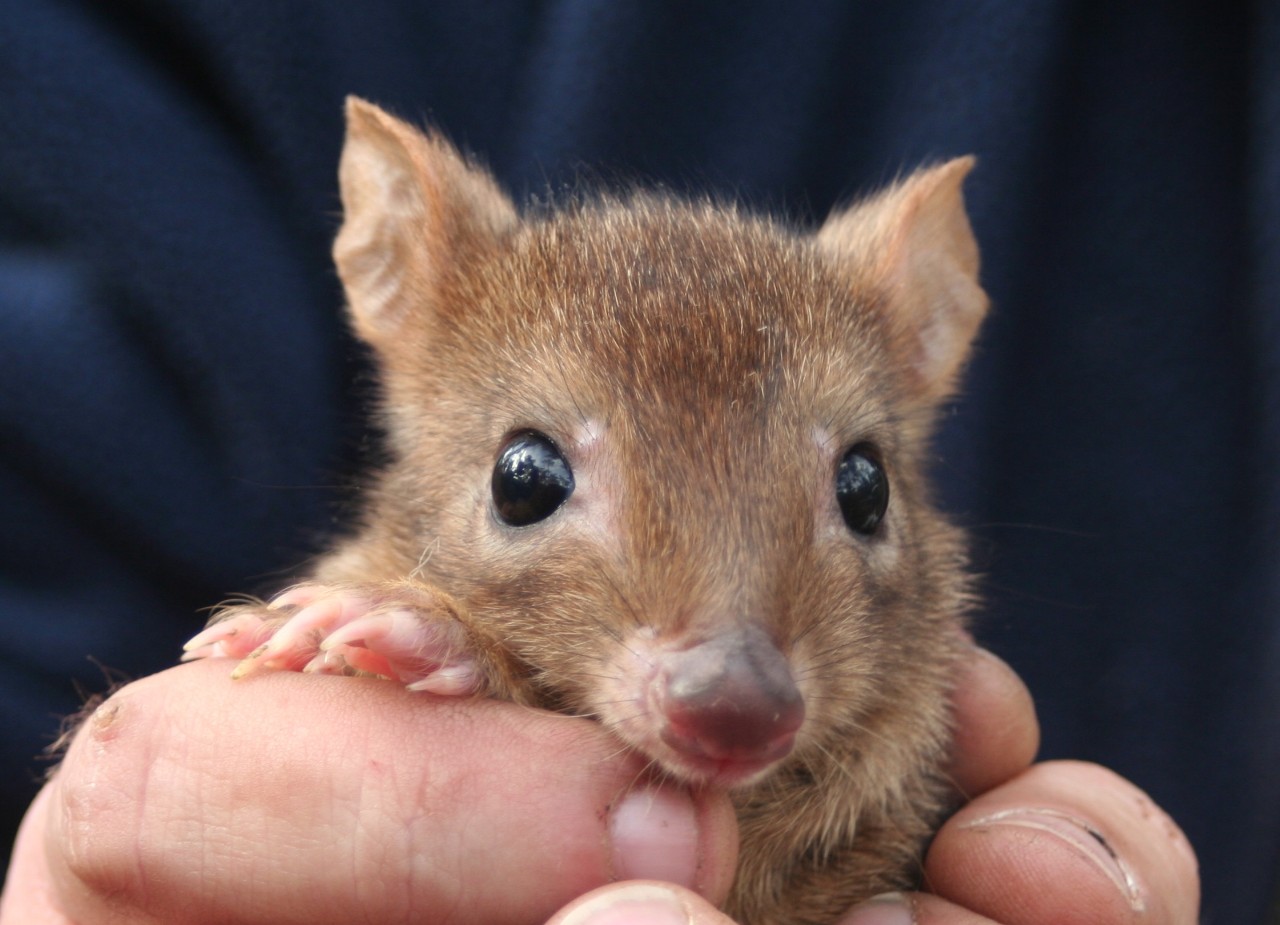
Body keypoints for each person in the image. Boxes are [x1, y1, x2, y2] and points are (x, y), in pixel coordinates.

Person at [0, 2, 1273, 921]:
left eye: (853, 493)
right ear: (402, 267)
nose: (735, 673)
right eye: (535, 484)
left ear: (924, 326)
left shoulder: (902, 713)